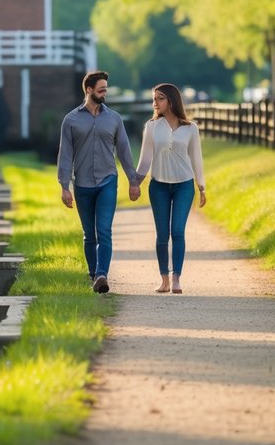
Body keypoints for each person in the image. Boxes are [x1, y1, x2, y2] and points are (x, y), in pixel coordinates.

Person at [57, 70, 143, 294]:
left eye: (106, 88)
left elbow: (124, 150)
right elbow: (65, 154)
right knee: (89, 235)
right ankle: (94, 275)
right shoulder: (71, 120)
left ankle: (102, 274)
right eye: (101, 89)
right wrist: (64, 186)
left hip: (107, 181)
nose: (105, 92)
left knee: (104, 230)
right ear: (89, 90)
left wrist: (133, 181)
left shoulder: (114, 118)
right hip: (83, 184)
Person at [135, 82, 206, 294]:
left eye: (160, 98)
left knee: (177, 231)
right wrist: (135, 183)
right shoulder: (151, 126)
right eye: (154, 98)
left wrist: (201, 186)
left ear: (171, 100)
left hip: (184, 185)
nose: (154, 103)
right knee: (162, 234)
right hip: (158, 186)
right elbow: (145, 159)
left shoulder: (190, 128)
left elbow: (197, 158)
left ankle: (176, 279)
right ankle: (164, 280)